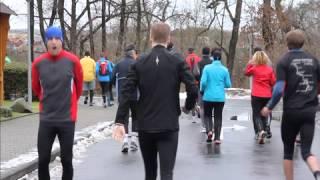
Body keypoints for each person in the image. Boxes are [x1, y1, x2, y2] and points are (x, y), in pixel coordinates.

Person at [112, 22, 198, 180]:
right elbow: (193, 88)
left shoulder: (139, 61)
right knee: (167, 174)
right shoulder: (177, 61)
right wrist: (188, 107)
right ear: (169, 38)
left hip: (146, 125)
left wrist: (119, 120)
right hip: (169, 124)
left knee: (150, 174)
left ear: (151, 37)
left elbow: (126, 91)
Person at [261, 29, 320, 180]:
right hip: (309, 111)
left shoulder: (284, 61)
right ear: (303, 42)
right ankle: (317, 173)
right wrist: (313, 95)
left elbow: (279, 89)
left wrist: (269, 106)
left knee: (288, 151)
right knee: (306, 151)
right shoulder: (314, 60)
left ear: (287, 43)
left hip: (291, 111)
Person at [32, 26, 83, 180]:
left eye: (57, 38)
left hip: (67, 119)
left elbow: (79, 87)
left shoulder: (73, 61)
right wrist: (46, 100)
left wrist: (70, 102)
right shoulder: (38, 63)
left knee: (66, 160)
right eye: (50, 39)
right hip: (47, 119)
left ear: (61, 40)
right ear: (46, 42)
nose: (53, 42)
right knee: (43, 160)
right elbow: (36, 87)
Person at [200, 48, 231, 144]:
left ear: (212, 57)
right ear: (221, 58)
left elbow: (204, 82)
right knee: (218, 117)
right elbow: (228, 85)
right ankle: (217, 138)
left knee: (208, 115)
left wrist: (202, 89)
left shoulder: (207, 68)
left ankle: (209, 131)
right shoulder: (225, 70)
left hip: (208, 96)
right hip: (219, 97)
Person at [112, 44, 139, 153]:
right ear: (133, 53)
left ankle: (124, 141)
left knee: (124, 117)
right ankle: (134, 140)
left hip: (122, 95)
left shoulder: (118, 65)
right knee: (136, 116)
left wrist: (118, 86)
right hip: (135, 95)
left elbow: (112, 78)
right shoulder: (137, 64)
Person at [245, 50, 276, 144]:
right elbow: (273, 82)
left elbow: (246, 73)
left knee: (256, 114)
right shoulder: (270, 69)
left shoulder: (254, 68)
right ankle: (265, 128)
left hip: (256, 95)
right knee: (264, 114)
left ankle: (260, 131)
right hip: (267, 95)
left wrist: (250, 64)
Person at [197, 47, 212, 133]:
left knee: (202, 107)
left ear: (202, 53)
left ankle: (204, 126)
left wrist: (199, 80)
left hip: (201, 87)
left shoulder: (199, 63)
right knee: (210, 107)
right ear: (209, 53)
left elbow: (195, 73)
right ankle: (210, 125)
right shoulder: (212, 63)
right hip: (211, 87)